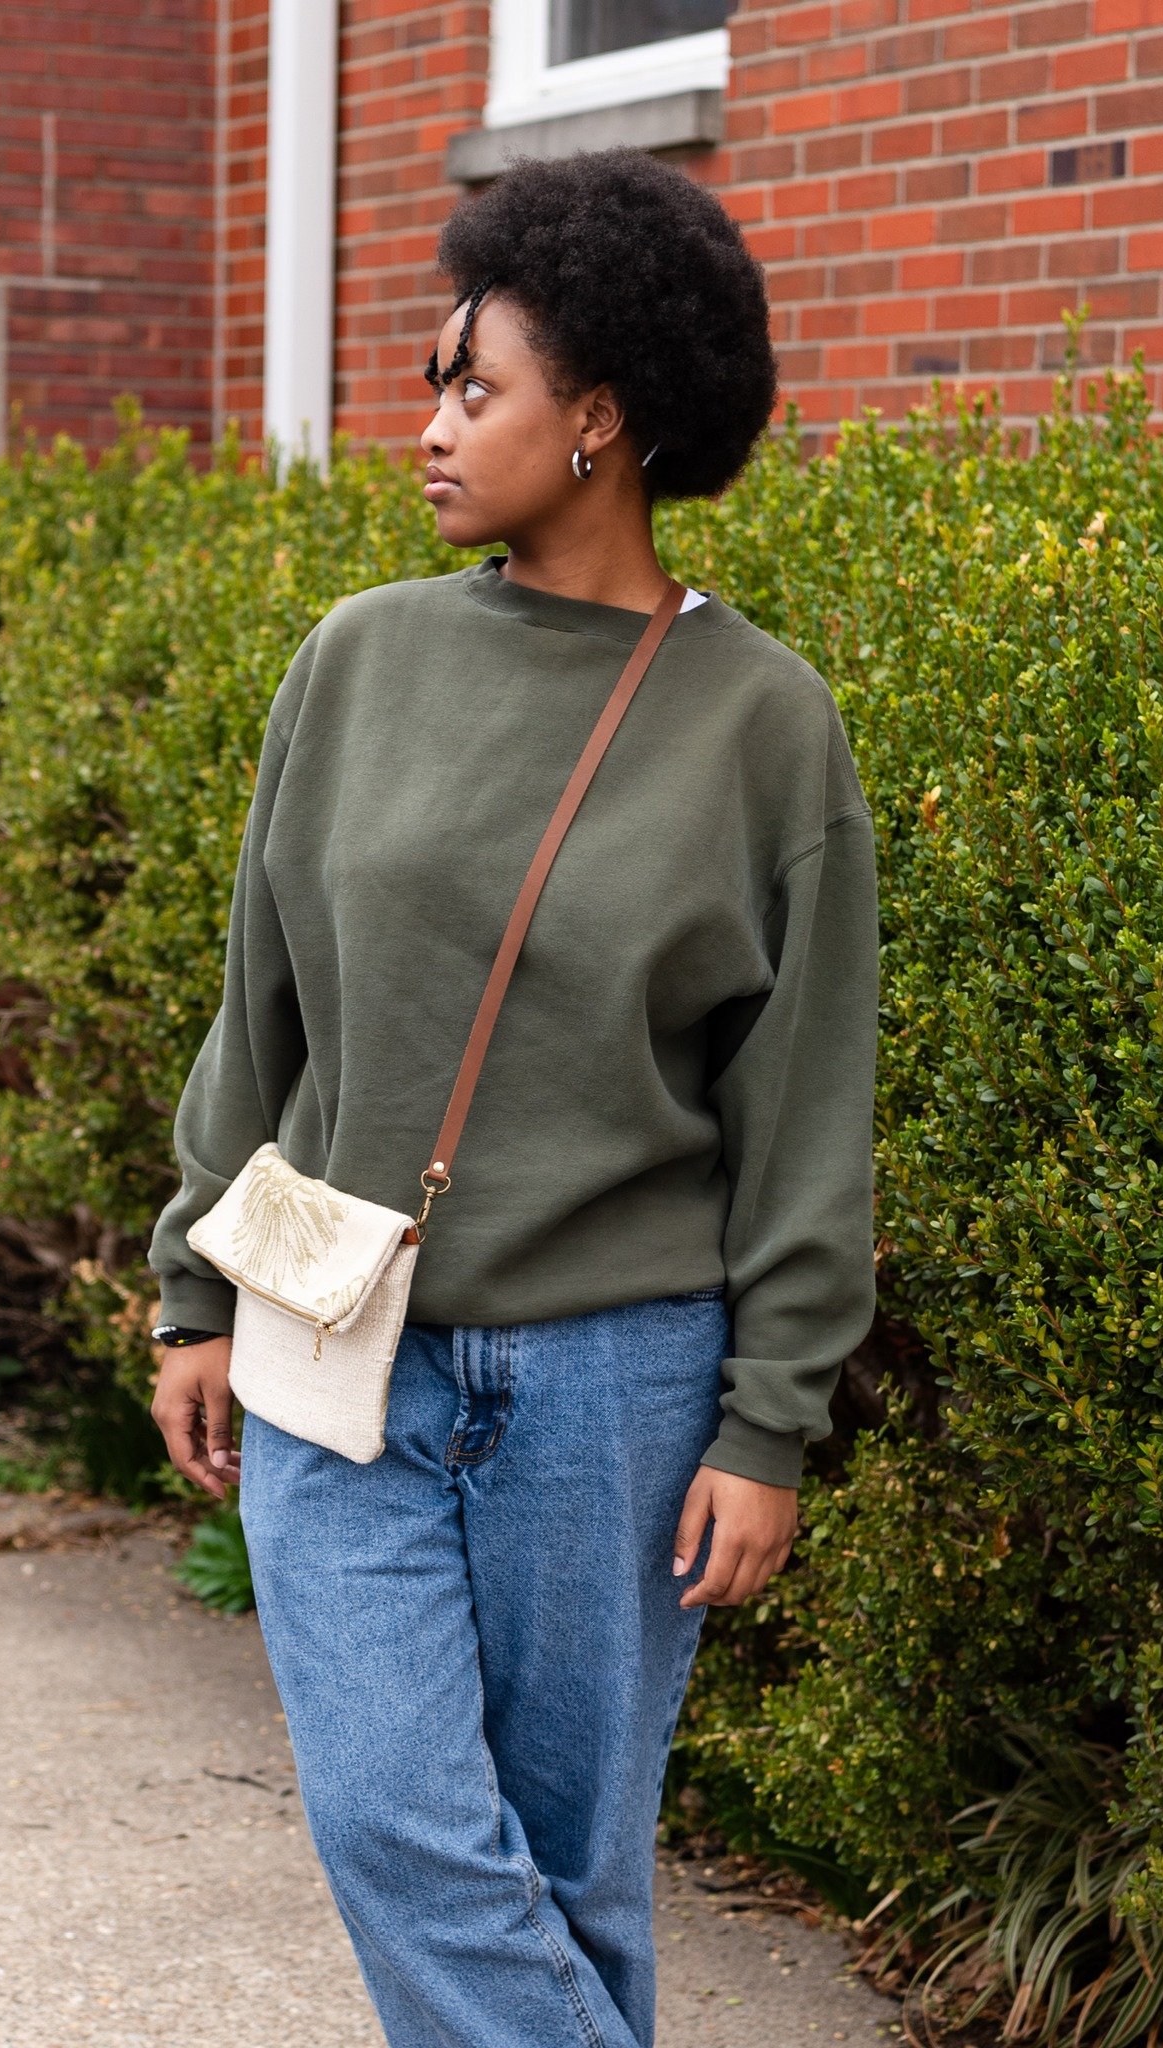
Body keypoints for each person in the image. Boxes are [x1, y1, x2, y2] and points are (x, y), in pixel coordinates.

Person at [145, 147, 877, 2048]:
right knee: (400, 1827)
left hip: (617, 1393)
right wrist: (190, 1287)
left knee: (570, 1875)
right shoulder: (361, 660)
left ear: (604, 423)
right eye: (432, 382)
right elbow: (264, 1015)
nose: (431, 425)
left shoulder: (762, 722)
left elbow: (803, 1112)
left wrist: (769, 1421)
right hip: (332, 1340)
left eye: (476, 386)